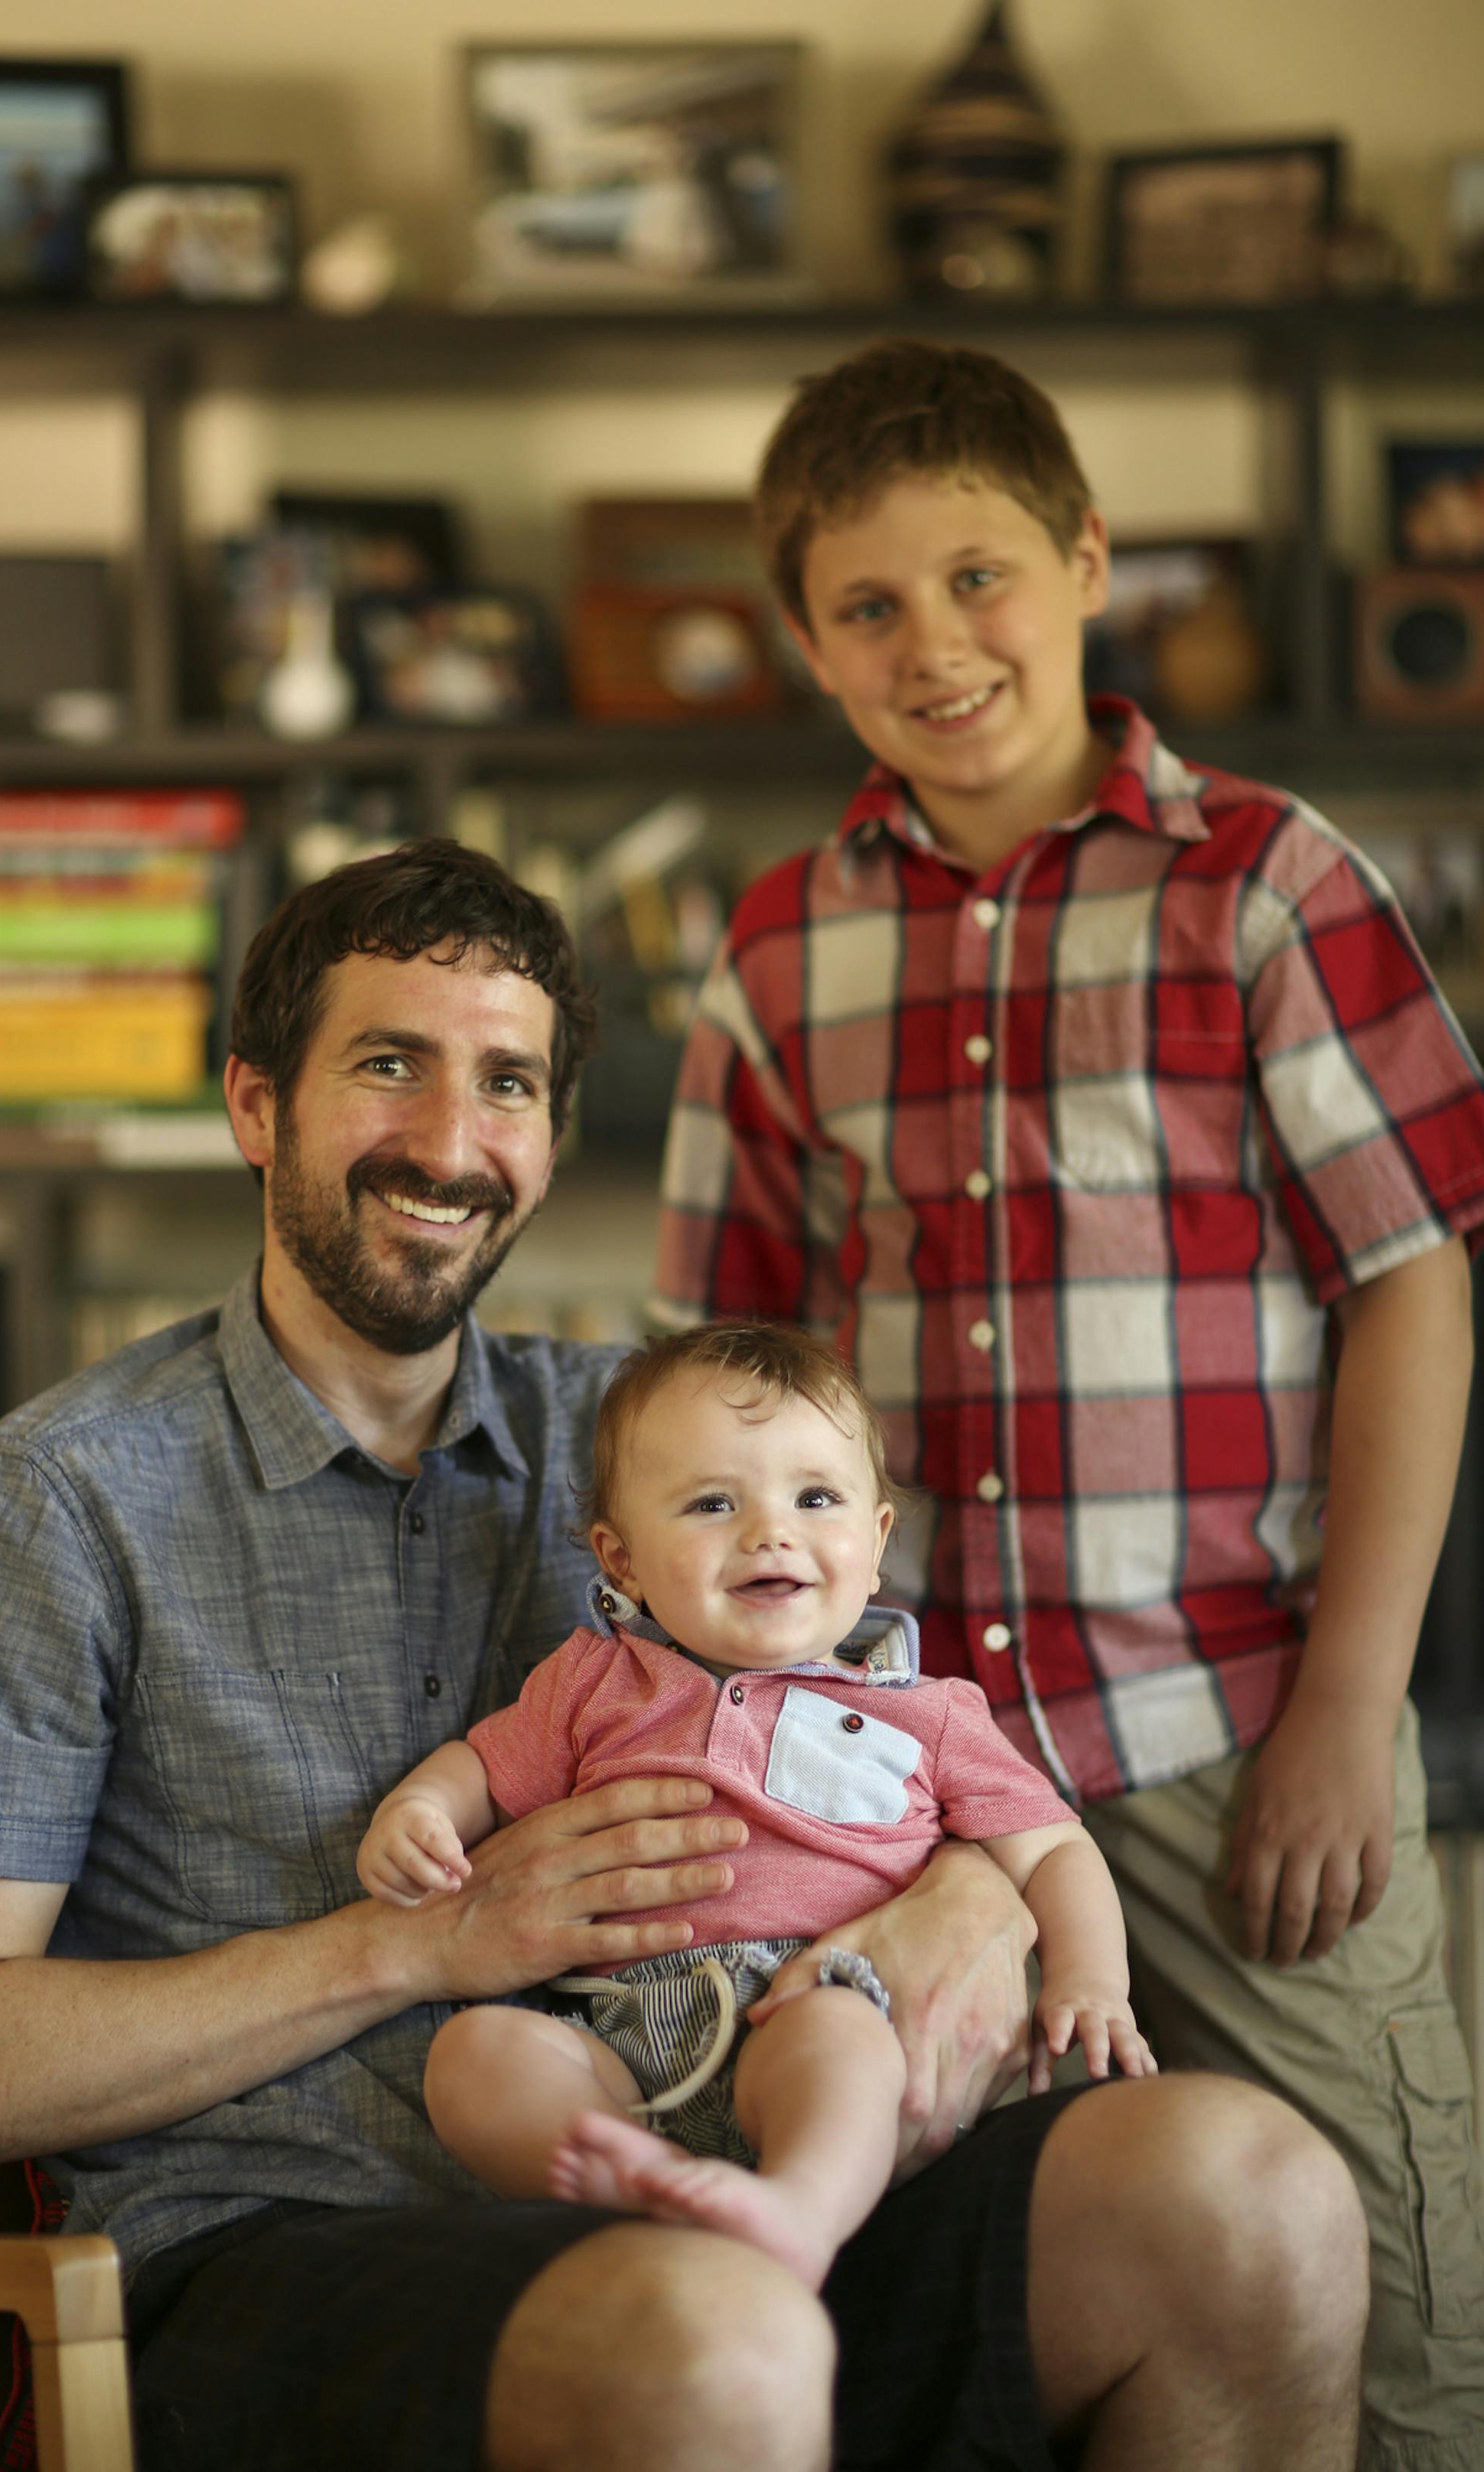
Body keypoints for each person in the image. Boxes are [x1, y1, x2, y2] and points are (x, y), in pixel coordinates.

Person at [0, 838, 1368, 2472]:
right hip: (277, 2246)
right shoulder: (62, 1495)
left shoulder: (657, 1445)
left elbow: (924, 1740)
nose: (449, 1139)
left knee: (1254, 2198)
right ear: (256, 1106)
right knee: (714, 2334)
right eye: (386, 1064)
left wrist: (974, 1894)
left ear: (554, 1139)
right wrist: (415, 1946)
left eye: (506, 1082)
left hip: (738, 2151)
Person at [651, 337, 1484, 2472]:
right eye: (867, 604)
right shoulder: (776, 952)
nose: (937, 642)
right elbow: (717, 1391)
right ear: (808, 643)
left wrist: (1344, 1705)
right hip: (902, 1768)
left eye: (983, 572)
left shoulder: (1265, 881)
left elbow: (1414, 1285)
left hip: (1241, 1732)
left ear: (1089, 561)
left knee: (1393, 2320)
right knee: (974, 2302)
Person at [362, 1320, 1156, 2293]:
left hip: (813, 1997)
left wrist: (1092, 1981)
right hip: (618, 2031)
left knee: (843, 2043)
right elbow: (481, 1769)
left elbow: (1054, 1851)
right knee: (475, 2054)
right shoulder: (592, 1682)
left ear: (874, 1546)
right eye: (710, 1503)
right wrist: (419, 1813)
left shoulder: (926, 1713)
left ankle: (800, 2213)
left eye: (815, 1497)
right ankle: (639, 2183)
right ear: (621, 1562)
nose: (769, 1531)